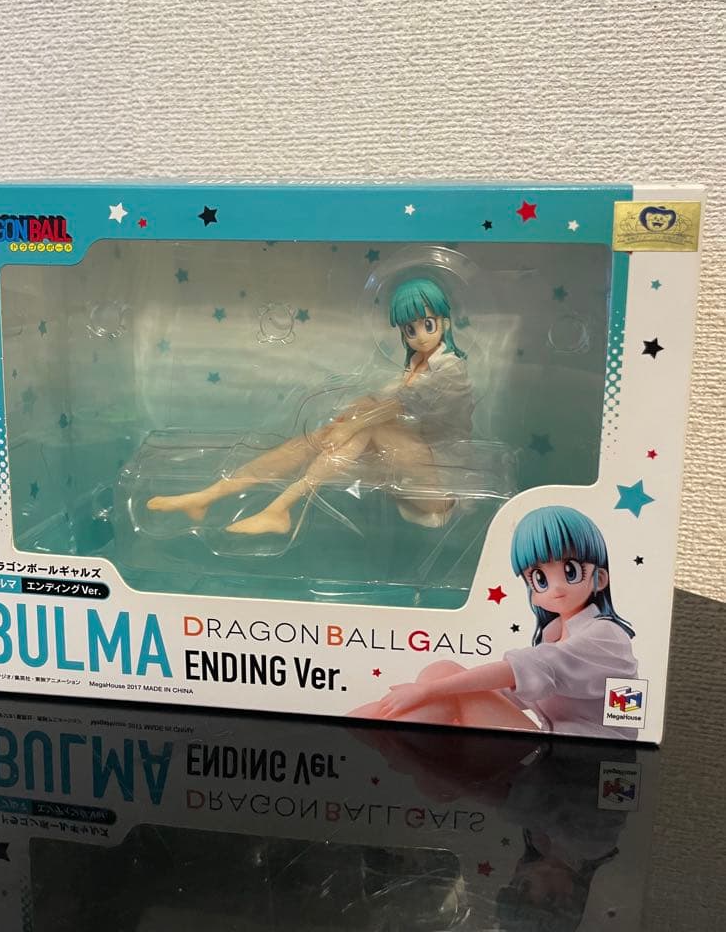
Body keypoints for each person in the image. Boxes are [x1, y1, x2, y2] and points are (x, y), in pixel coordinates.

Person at [146, 277, 473, 535]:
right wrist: (344, 421)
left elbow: (401, 404)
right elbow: (380, 402)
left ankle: (280, 509)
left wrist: (353, 424)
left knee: (365, 427)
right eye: (410, 329)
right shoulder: (414, 365)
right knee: (316, 439)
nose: (420, 336)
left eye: (428, 325)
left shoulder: (451, 368)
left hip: (442, 487)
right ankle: (208, 496)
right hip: (407, 474)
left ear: (444, 322)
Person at [351, 506, 638, 738]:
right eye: (540, 579)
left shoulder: (605, 636)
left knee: (442, 678)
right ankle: (367, 738)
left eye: (570, 571)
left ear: (600, 578)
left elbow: (520, 671)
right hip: (554, 748)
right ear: (533, 592)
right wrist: (441, 695)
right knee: (441, 685)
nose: (557, 588)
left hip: (587, 762)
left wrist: (428, 690)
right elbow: (517, 692)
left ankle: (366, 742)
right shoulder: (555, 635)